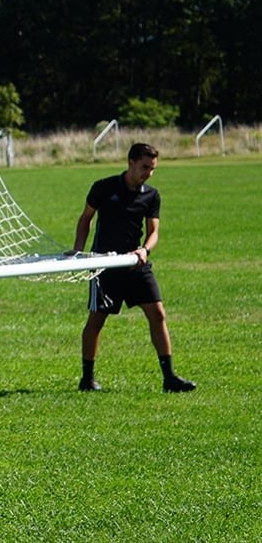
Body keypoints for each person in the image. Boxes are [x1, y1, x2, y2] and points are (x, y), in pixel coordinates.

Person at [71, 142, 195, 393]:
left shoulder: (151, 195)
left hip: (135, 263)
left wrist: (144, 250)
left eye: (152, 169)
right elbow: (86, 218)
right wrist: (78, 251)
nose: (148, 173)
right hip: (104, 265)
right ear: (130, 163)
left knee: (158, 314)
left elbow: (154, 232)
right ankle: (87, 379)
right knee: (96, 320)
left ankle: (169, 377)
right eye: (144, 167)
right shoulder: (103, 187)